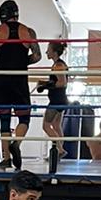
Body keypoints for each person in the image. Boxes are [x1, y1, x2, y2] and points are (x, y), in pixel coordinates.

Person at [0, 0, 40, 170]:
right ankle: (17, 143)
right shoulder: (28, 32)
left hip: (1, 80)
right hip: (19, 78)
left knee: (4, 119)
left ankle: (6, 158)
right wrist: (22, 62)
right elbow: (37, 56)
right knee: (24, 117)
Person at [38, 40, 69, 173]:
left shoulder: (58, 65)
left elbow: (62, 83)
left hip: (57, 100)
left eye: (48, 49)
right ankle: (60, 150)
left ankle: (60, 149)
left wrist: (45, 85)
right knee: (56, 126)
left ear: (54, 51)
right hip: (61, 99)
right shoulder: (59, 64)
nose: (46, 52)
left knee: (46, 125)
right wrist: (45, 83)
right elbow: (58, 81)